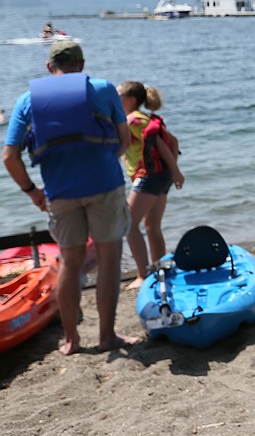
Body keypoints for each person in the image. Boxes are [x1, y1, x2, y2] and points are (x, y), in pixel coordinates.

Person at [1, 40, 140, 354]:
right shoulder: (104, 90)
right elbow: (123, 140)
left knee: (70, 262)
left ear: (50, 68)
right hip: (105, 186)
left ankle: (71, 340)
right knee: (108, 260)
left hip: (60, 194)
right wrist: (105, 160)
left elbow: (9, 156)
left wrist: (31, 192)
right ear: (82, 64)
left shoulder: (26, 101)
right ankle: (107, 337)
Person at [118, 82, 184, 290]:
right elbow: (173, 141)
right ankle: (160, 269)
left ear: (130, 101)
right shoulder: (145, 118)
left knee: (128, 225)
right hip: (161, 176)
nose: (114, 100)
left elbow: (161, 145)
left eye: (117, 96)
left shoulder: (132, 120)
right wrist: (173, 171)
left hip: (149, 177)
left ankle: (141, 275)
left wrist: (176, 171)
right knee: (151, 226)